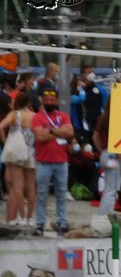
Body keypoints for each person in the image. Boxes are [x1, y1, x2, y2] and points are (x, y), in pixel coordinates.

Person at [32, 85, 74, 236]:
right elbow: (39, 137)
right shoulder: (37, 117)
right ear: (42, 100)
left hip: (61, 162)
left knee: (61, 195)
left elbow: (70, 132)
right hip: (43, 162)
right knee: (42, 195)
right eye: (47, 99)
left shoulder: (63, 116)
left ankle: (62, 223)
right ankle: (39, 225)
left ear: (56, 100)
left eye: (52, 99)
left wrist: (50, 130)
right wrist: (59, 132)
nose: (50, 101)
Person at [1, 91, 36, 225]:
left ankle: (20, 217)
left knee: (17, 186)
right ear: (29, 103)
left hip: (16, 152)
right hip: (31, 150)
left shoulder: (14, 114)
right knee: (31, 187)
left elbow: (1, 126)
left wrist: (6, 141)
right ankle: (29, 218)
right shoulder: (35, 116)